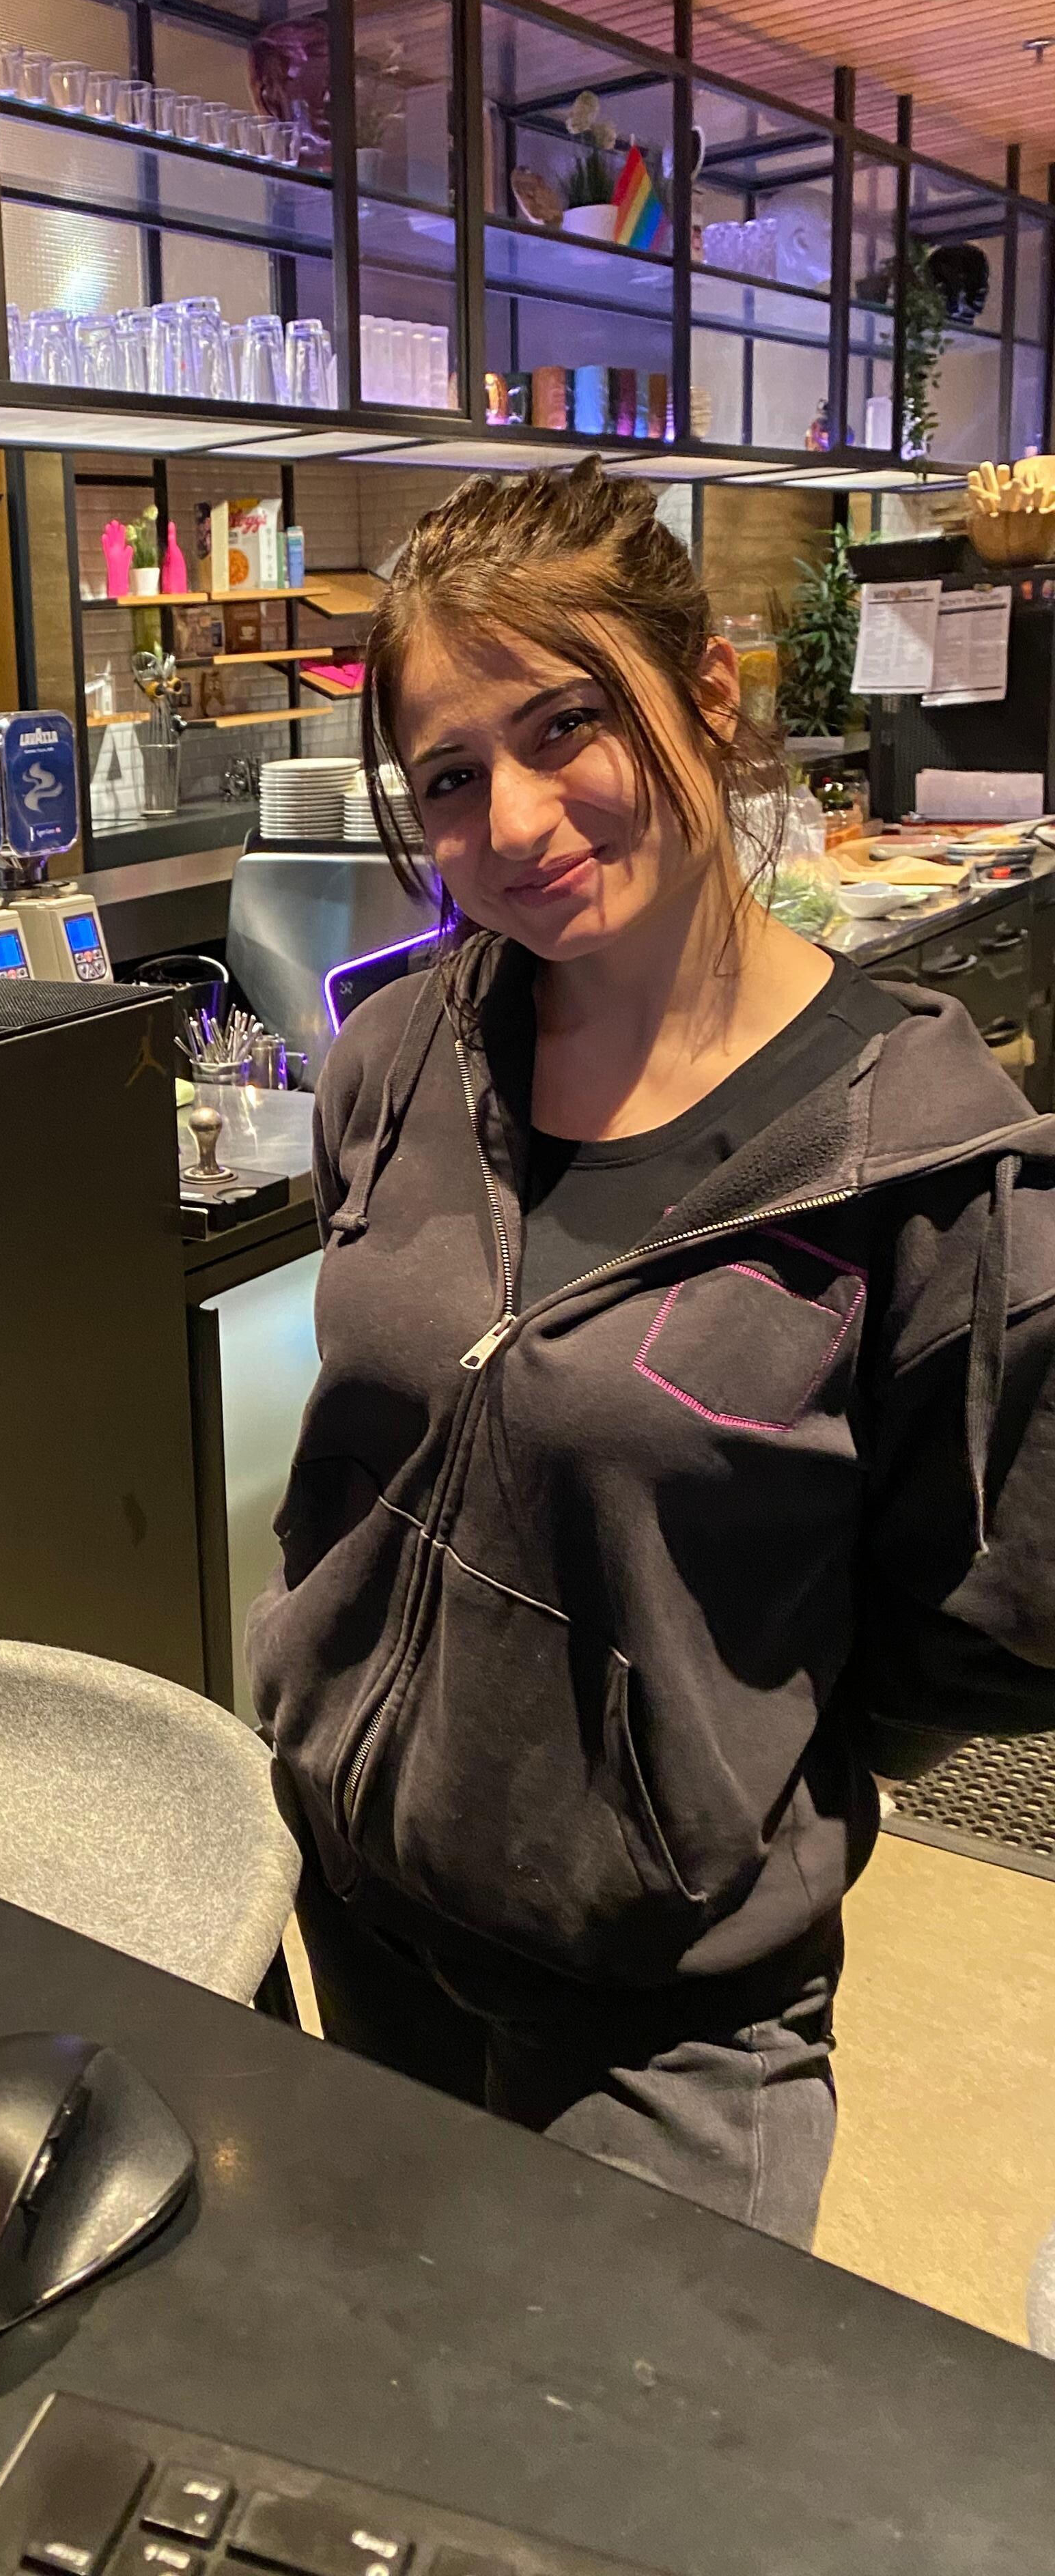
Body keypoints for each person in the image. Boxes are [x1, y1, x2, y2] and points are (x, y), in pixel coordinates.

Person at [247, 461, 1055, 2244]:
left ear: (707, 697)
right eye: (451, 778)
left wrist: (693, 1781)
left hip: (660, 2012)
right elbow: (371, 1425)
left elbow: (982, 1633)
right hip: (360, 1906)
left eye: (567, 727)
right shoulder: (397, 1058)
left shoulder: (925, 1164)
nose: (516, 818)